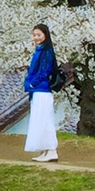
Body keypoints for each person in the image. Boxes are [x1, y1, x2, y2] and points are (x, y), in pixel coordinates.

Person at [24, 23, 59, 163]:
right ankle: (45, 150)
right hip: (37, 90)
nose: (36, 38)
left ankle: (51, 150)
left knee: (44, 120)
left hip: (42, 89)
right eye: (34, 35)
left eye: (39, 35)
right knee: (39, 120)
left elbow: (44, 71)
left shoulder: (47, 51)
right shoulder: (39, 50)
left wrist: (32, 83)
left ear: (45, 35)